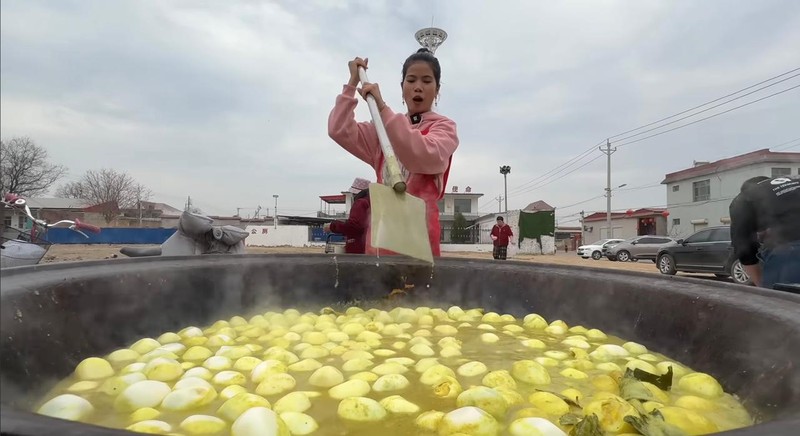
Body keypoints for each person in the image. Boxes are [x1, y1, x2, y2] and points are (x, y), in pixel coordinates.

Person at [327, 49, 459, 257]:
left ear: (437, 89)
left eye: (426, 81)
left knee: (418, 291)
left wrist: (382, 109)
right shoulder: (381, 129)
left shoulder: (445, 129)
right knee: (378, 290)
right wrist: (352, 84)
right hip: (380, 245)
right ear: (402, 87)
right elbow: (338, 129)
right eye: (411, 80)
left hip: (421, 248)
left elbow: (421, 156)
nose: (418, 87)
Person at [729, 175, 800, 289]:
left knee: (782, 303)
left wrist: (762, 288)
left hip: (791, 252)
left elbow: (744, 249)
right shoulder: (794, 182)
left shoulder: (743, 199)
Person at [323, 178, 371, 254]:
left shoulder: (360, 203)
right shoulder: (372, 203)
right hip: (368, 248)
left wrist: (332, 226)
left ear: (355, 193)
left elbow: (354, 226)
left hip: (358, 250)